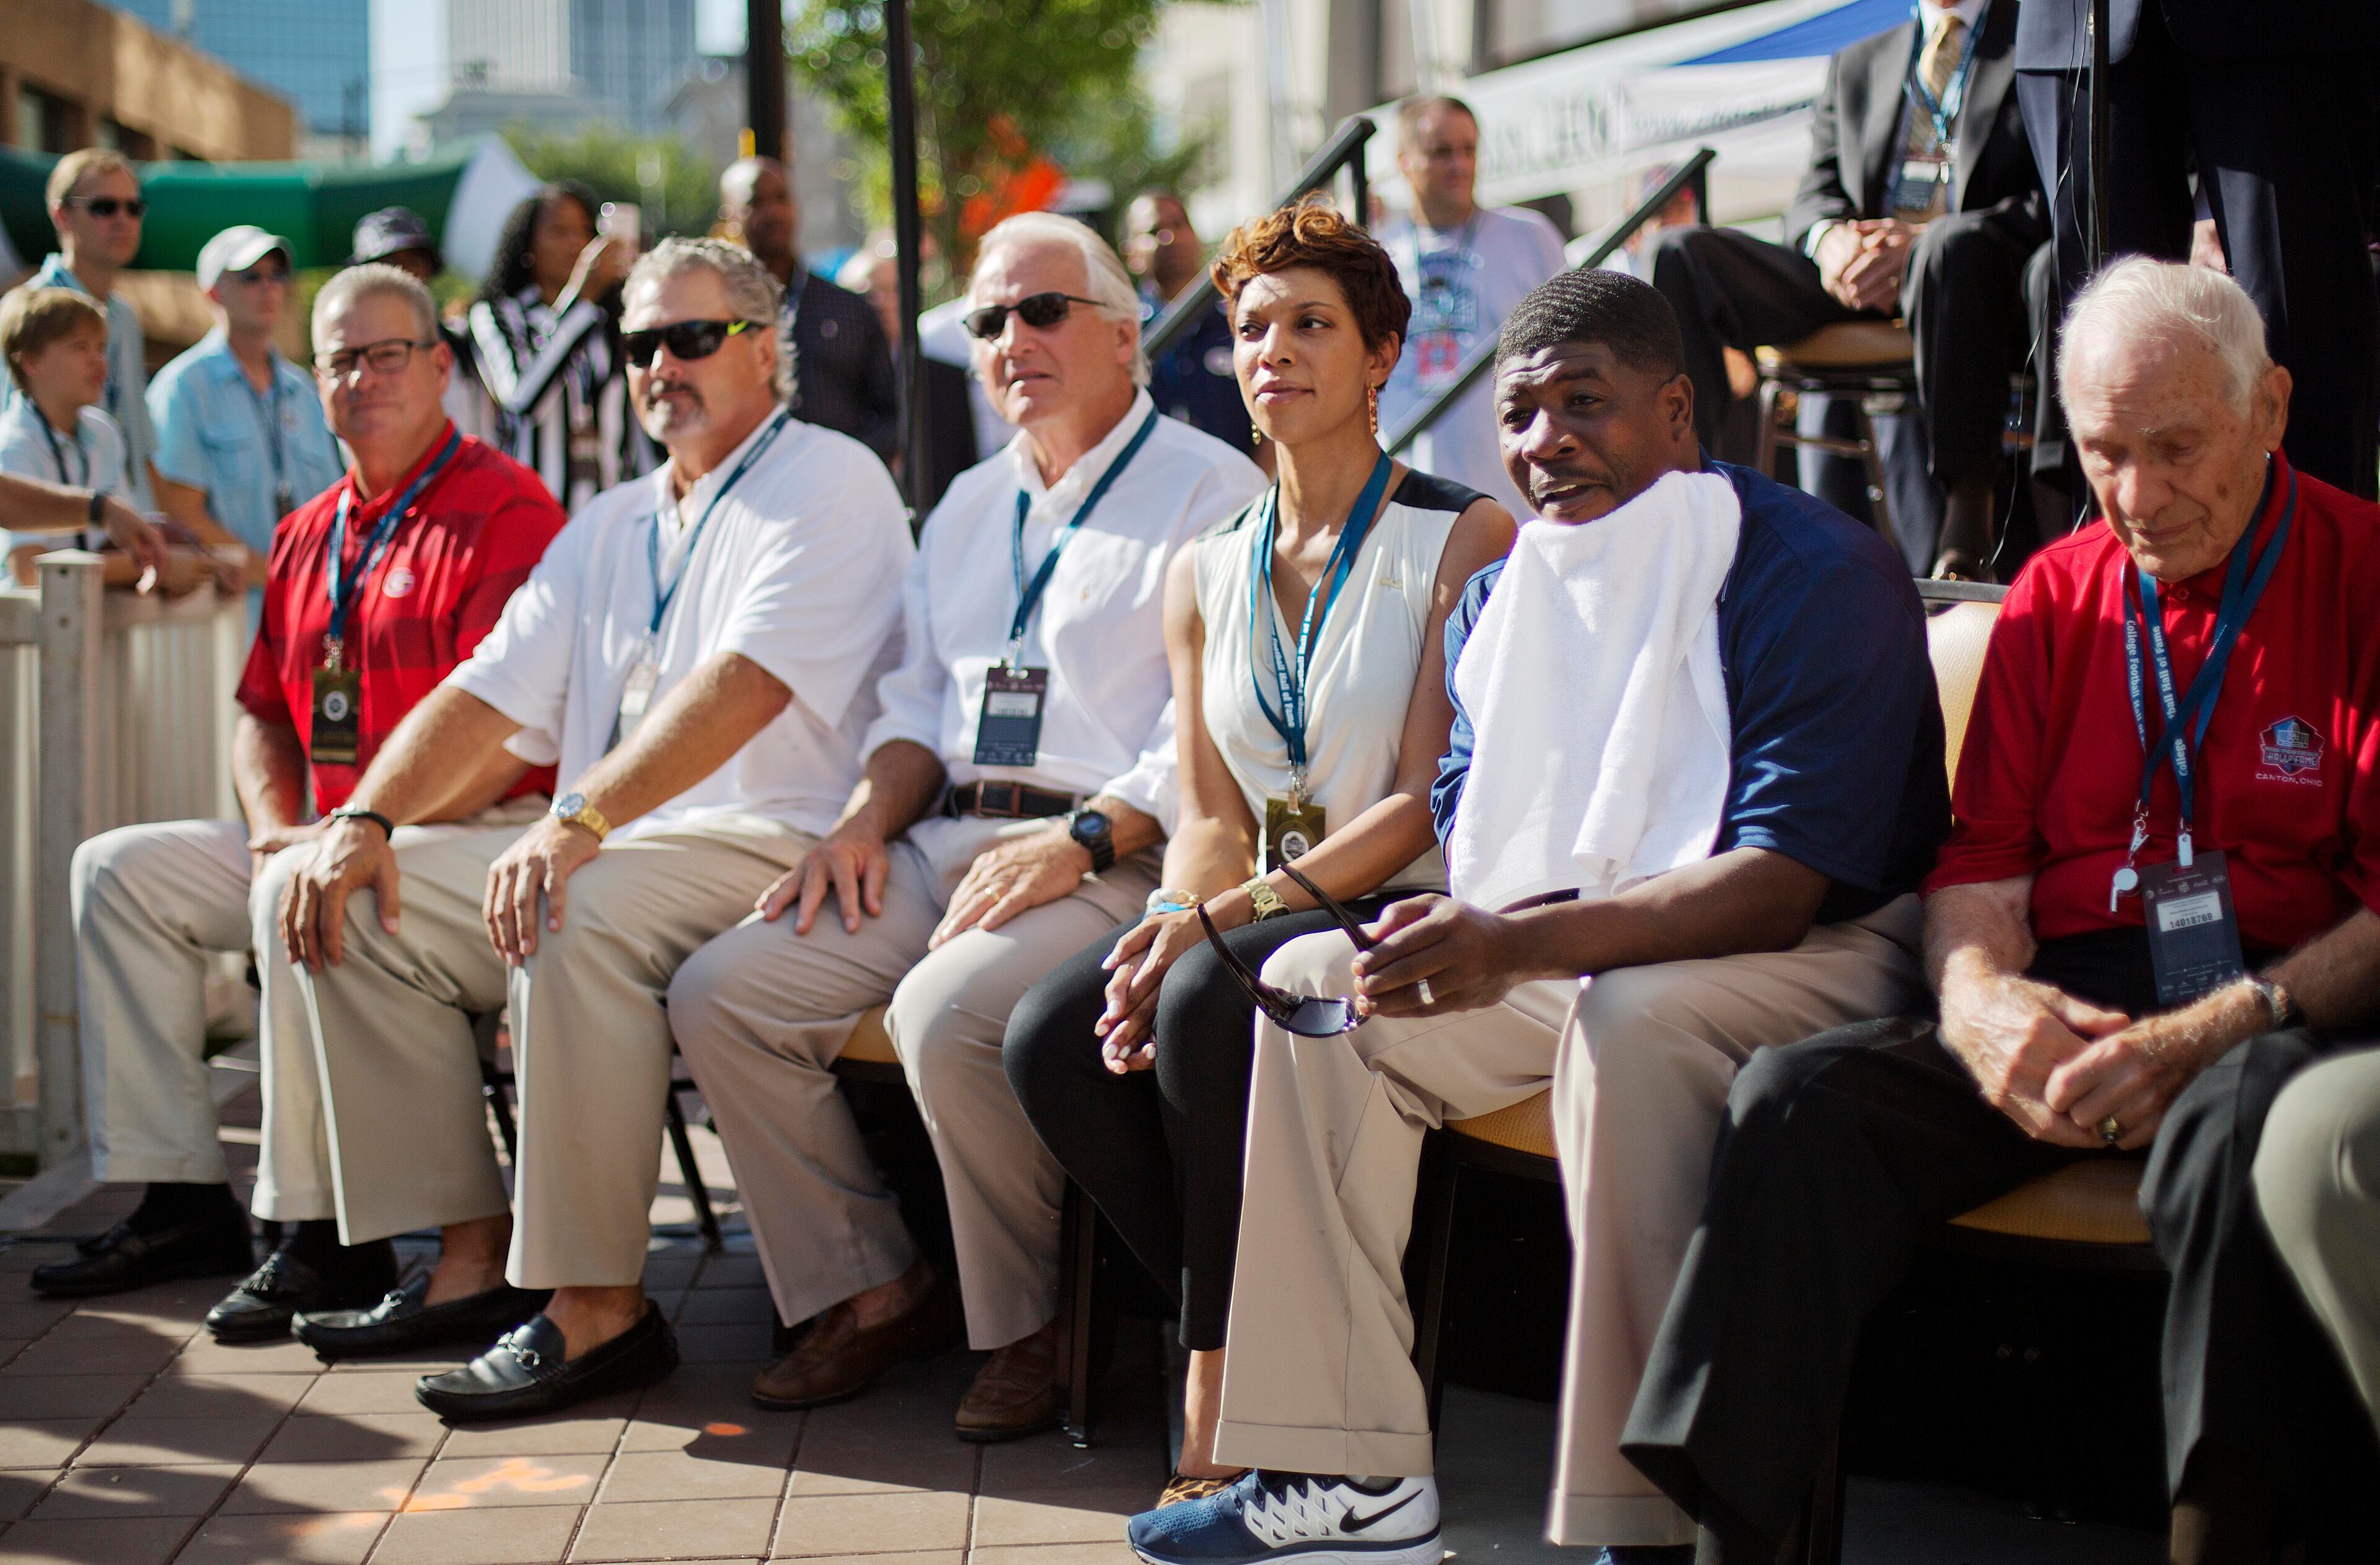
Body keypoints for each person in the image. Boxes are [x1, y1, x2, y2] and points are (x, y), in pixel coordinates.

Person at [1130, 270, 1946, 1565]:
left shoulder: (1810, 565)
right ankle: (1351, 1474)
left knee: (1632, 1018)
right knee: (1322, 979)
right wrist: (1467, 936)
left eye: (1588, 403)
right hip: (1577, 940)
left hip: (1815, 949)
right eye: (1519, 414)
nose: (1545, 441)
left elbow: (1789, 877)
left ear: (1678, 412)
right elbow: (1475, 832)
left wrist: (1513, 943)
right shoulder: (1506, 600)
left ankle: (1653, 1514)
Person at [1621, 259, 2380, 1564]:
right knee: (1796, 1104)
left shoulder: (2364, 571)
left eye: (2178, 448)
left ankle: (2222, 1543)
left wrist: (2203, 1031)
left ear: (2274, 408)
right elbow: (1978, 864)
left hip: (2277, 995)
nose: (2138, 498)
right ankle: (1738, 1547)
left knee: (2240, 1130)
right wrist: (1976, 1002)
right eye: (2105, 454)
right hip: (2072, 982)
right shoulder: (2058, 588)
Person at [273, 238, 912, 1421]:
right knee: (349, 892)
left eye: (691, 337)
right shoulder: (614, 518)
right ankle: (470, 1261)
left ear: (766, 349)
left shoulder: (828, 477)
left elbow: (747, 686)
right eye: (638, 345)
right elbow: (482, 692)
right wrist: (362, 816)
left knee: (569, 899)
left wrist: (578, 817)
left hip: (776, 840)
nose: (660, 363)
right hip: (618, 847)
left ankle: (595, 1307)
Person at [667, 212, 1266, 1442]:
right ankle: (872, 1282)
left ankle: (1031, 1328)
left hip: (1120, 847)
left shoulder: (1213, 486)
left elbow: (1219, 722)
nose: (1012, 339)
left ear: (1123, 331)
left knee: (945, 1012)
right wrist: (858, 821)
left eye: (1042, 310)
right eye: (988, 319)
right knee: (723, 987)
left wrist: (1087, 837)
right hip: (948, 835)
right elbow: (913, 708)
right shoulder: (964, 504)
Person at [1005, 199, 1512, 1505]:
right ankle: (1238, 1312)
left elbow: (1423, 803)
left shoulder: (1461, 536)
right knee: (1054, 1029)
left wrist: (1220, 921)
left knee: (1204, 993)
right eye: (1250, 327)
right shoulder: (1205, 565)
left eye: (1311, 323)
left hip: (1399, 899)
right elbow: (1206, 804)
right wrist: (1179, 908)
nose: (1273, 349)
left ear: (1383, 350)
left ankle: (1215, 1366)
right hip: (1252, 899)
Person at [27, 265, 566, 1323]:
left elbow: (511, 735)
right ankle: (182, 1193)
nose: (362, 378)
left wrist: (364, 833)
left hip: (470, 832)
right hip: (323, 828)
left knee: (304, 896)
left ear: (442, 368)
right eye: (339, 360)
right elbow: (264, 714)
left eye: (387, 354)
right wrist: (277, 828)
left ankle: (325, 1239)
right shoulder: (307, 529)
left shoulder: (508, 509)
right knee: (118, 872)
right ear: (313, 382)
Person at [1645, 0, 2047, 578]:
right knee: (1679, 254)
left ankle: (1967, 521)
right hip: (1854, 275)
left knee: (1949, 248)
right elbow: (1814, 195)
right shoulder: (1861, 60)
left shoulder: (2033, 39)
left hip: (1971, 278)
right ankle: (1691, 498)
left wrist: (1918, 242)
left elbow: (2049, 195)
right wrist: (1829, 239)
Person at [2014, 0, 2378, 501]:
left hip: (2283, 29)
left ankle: (2314, 576)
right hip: (2081, 23)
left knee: (2302, 339)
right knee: (2109, 348)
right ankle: (2128, 575)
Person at [1373, 96, 1566, 522]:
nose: (1459, 165)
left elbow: (1571, 354)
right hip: (1409, 504)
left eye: (1469, 150)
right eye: (1441, 152)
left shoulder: (1529, 237)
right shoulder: (1377, 254)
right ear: (1404, 162)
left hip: (1517, 504)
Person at [148, 226, 346, 620]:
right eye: (250, 278)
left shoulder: (304, 389)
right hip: (230, 619)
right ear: (212, 293)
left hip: (315, 613)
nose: (268, 288)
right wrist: (280, 577)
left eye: (277, 276)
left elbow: (336, 499)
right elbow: (180, 514)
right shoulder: (182, 388)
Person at [469, 182, 655, 514]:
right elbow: (523, 396)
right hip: (532, 515)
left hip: (613, 515)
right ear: (528, 246)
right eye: (559, 231)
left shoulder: (612, 319)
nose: (576, 243)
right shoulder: (498, 315)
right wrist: (580, 298)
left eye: (584, 231)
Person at [0, 287, 195, 593]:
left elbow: (127, 543)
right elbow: (29, 572)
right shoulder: (11, 443)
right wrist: (161, 562)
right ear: (32, 363)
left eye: (101, 348)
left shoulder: (104, 431)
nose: (98, 361)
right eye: (80, 348)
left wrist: (200, 565)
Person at [719, 156, 901, 462]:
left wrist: (847, 464)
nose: (774, 212)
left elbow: (892, 415)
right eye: (757, 202)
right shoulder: (718, 315)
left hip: (839, 489)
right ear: (730, 215)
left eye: (782, 198)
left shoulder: (849, 310)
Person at [1126, 190, 1257, 455]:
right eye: (1154, 231)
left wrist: (1255, 480)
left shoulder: (1240, 317)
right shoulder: (1121, 332)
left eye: (1179, 224)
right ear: (1131, 254)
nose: (1170, 237)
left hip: (1239, 487)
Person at [347, 206, 485, 439]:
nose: (404, 273)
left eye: (414, 260)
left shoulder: (466, 346)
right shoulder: (347, 361)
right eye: (388, 262)